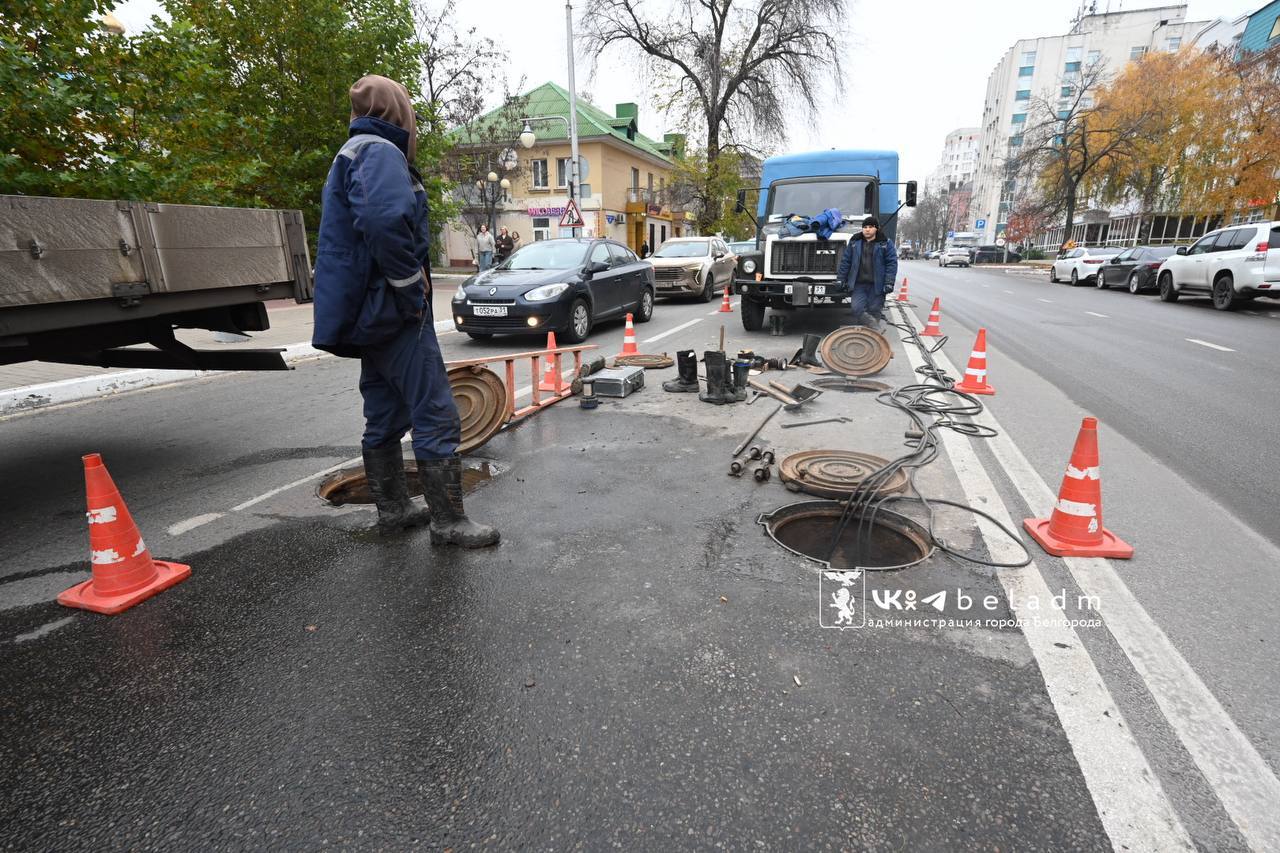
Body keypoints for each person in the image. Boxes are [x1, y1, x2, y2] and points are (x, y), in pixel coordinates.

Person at [311, 74, 499, 548]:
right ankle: (449, 522)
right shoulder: (378, 152)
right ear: (398, 112)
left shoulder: (353, 152)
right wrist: (408, 286)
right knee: (435, 412)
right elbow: (382, 220)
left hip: (368, 313)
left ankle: (394, 510)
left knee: (384, 410)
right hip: (392, 311)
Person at [836, 216, 898, 333]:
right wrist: (841, 279)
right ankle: (876, 329)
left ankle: (870, 338)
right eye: (865, 227)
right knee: (856, 308)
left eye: (870, 227)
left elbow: (891, 264)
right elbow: (846, 262)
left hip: (877, 284)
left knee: (874, 309)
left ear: (876, 229)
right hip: (858, 283)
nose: (867, 230)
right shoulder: (855, 242)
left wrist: (889, 282)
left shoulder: (885, 243)